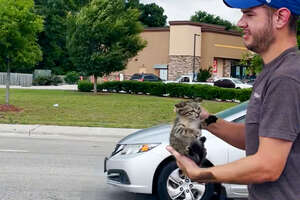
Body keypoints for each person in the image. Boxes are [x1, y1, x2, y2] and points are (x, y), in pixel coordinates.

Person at [166, 0, 300, 199]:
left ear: (280, 17)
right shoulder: (273, 72)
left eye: (249, 14)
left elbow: (267, 166)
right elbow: (253, 138)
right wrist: (205, 119)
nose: (240, 22)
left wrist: (200, 174)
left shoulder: (286, 77)